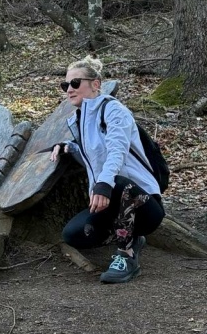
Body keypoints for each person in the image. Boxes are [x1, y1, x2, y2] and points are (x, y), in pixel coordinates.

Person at [50, 57, 165, 284]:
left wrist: (103, 184)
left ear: (95, 84)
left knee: (118, 183)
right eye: (65, 85)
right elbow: (94, 154)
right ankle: (131, 237)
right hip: (112, 206)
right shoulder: (79, 119)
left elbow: (116, 151)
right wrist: (69, 147)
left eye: (75, 83)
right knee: (74, 234)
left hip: (144, 205)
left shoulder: (114, 110)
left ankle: (126, 256)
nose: (69, 89)